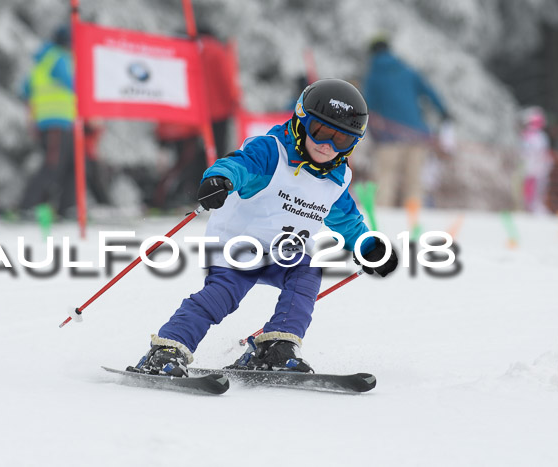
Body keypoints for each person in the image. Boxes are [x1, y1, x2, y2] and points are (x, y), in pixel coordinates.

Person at [129, 79, 399, 377]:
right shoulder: (272, 152)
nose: (328, 146)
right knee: (222, 297)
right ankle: (167, 349)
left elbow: (347, 220)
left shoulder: (335, 178)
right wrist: (220, 179)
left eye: (342, 140)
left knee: (308, 271)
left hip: (286, 253)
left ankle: (276, 346)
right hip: (239, 246)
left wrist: (368, 246)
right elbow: (239, 164)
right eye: (321, 132)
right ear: (301, 122)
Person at [152, 28, 238, 209]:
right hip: (218, 112)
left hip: (194, 112)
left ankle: (184, 192)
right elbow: (227, 79)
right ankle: (207, 192)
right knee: (214, 155)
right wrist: (233, 102)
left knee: (189, 156)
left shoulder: (187, 49)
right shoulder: (216, 49)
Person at [363, 36, 449, 209]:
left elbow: (367, 107)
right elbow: (429, 92)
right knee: (414, 181)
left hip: (389, 137)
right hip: (417, 134)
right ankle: (414, 219)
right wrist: (444, 112)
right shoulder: (408, 71)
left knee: (385, 178)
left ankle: (382, 218)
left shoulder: (374, 76)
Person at [19, 26, 76, 218]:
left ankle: (67, 207)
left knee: (69, 165)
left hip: (52, 122)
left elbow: (26, 90)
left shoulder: (41, 62)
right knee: (54, 165)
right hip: (56, 121)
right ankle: (28, 206)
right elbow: (73, 83)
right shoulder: (58, 58)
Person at [520, 106, 552, 214]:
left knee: (538, 189)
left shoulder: (540, 136)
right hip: (530, 168)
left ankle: (535, 207)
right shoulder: (528, 136)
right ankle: (529, 207)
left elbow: (542, 153)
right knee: (529, 189)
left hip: (537, 168)